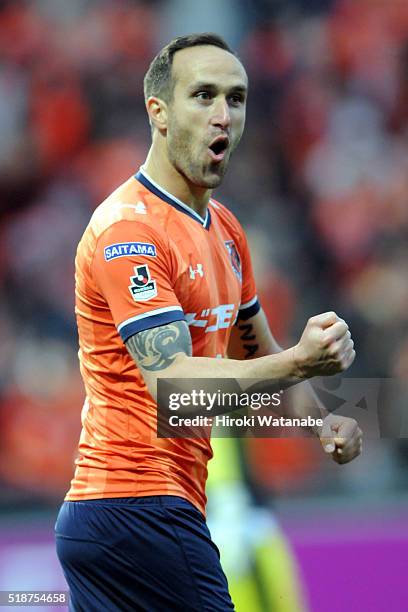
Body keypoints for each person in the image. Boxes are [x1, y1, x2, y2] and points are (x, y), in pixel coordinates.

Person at [55, 33, 362, 611]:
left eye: (236, 98)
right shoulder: (129, 231)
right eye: (202, 96)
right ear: (159, 114)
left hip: (132, 514)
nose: (223, 115)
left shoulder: (226, 231)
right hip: (137, 505)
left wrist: (323, 422)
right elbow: (175, 388)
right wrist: (301, 357)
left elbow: (259, 356)